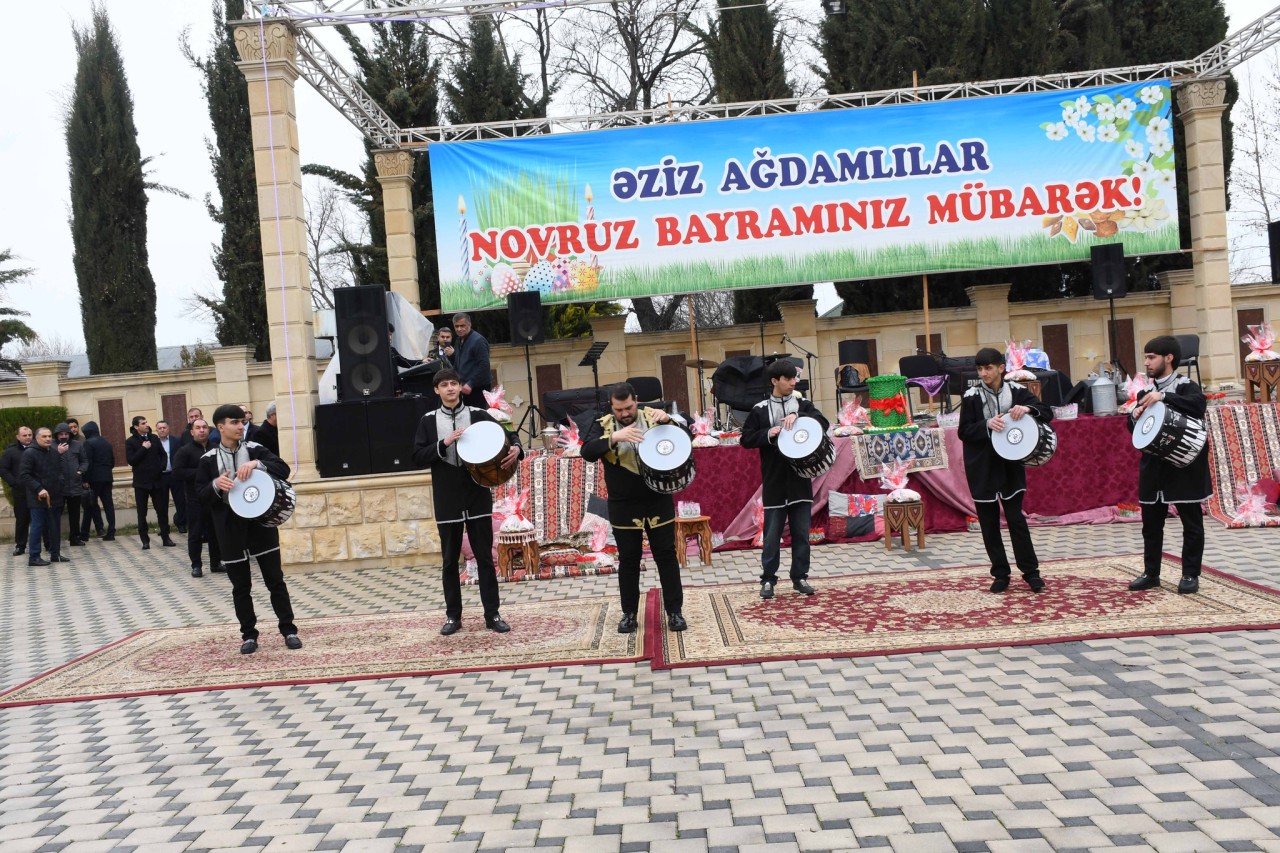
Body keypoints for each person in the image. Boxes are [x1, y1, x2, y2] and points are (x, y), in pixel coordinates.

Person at [412, 368, 520, 636]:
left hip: (476, 491)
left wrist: (517, 448)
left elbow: (509, 433)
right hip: (446, 494)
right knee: (449, 560)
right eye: (444, 385)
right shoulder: (427, 420)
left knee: (484, 556)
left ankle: (492, 614)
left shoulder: (478, 415)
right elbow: (417, 456)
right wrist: (444, 442)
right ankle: (453, 616)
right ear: (436, 390)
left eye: (454, 383)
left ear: (460, 387)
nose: (450, 388)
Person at [581, 382, 689, 633]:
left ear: (636, 400)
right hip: (622, 503)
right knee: (629, 560)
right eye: (619, 409)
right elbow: (587, 451)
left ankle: (675, 612)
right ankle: (629, 614)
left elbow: (688, 437)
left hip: (657, 497)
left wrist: (669, 422)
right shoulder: (602, 424)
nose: (625, 413)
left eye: (629, 407)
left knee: (666, 556)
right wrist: (615, 437)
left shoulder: (654, 416)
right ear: (611, 407)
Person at [196, 404, 302, 654]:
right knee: (240, 586)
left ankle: (289, 630)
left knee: (275, 580)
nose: (241, 426)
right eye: (235, 422)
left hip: (260, 524)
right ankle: (248, 635)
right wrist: (215, 485)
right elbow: (199, 497)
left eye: (242, 422)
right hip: (229, 528)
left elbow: (284, 470)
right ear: (221, 427)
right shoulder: (208, 460)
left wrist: (257, 465)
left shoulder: (256, 450)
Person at [958, 347, 1053, 593]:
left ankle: (1031, 572)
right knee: (989, 523)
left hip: (1010, 465)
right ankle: (1000, 574)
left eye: (988, 368)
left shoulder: (1018, 391)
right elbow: (963, 431)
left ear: (1001, 368)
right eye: (980, 369)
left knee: (1016, 519)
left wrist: (1029, 409)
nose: (983, 373)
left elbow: (1048, 413)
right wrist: (986, 424)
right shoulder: (971, 395)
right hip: (981, 466)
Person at [1126, 335, 1213, 594]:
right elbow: (1137, 429)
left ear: (1169, 358)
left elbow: (1198, 407)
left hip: (1184, 467)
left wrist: (1163, 396)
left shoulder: (1187, 386)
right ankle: (1151, 573)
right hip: (1153, 468)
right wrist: (1135, 415)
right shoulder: (1143, 393)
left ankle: (1190, 575)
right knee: (1151, 525)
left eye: (1151, 357)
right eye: (1146, 357)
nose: (1147, 363)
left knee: (1191, 523)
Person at [741, 360, 829, 599]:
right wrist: (768, 433)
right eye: (788, 379)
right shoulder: (759, 409)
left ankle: (800, 577)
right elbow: (746, 439)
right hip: (774, 482)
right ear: (774, 381)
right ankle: (768, 579)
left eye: (794, 378)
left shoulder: (803, 404)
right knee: (771, 537)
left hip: (800, 480)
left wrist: (797, 415)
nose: (793, 382)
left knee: (801, 534)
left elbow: (823, 423)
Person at [174, 417, 221, 578]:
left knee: (215, 532)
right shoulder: (185, 451)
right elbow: (178, 472)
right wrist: (201, 473)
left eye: (205, 427)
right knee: (195, 533)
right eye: (198, 428)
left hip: (214, 498)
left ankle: (216, 563)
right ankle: (196, 565)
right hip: (195, 500)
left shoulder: (216, 448)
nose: (202, 430)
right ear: (192, 431)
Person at [19, 427, 69, 566]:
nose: (48, 439)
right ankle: (34, 557)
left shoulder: (53, 452)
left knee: (55, 527)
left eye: (49, 436)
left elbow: (59, 471)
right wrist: (39, 488)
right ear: (37, 438)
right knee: (37, 526)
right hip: (38, 498)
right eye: (44, 437)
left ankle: (55, 554)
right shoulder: (29, 453)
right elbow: (24, 475)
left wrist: (61, 482)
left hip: (55, 496)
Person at [125, 415, 175, 550]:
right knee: (142, 513)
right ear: (136, 426)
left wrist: (162, 467)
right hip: (141, 483)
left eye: (146, 422)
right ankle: (145, 540)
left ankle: (166, 537)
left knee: (162, 511)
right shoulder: (130, 442)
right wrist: (143, 448)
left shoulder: (153, 438)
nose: (146, 425)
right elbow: (131, 460)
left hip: (157, 481)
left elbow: (163, 455)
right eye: (143, 423)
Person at [79, 421, 116, 541]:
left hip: (94, 479)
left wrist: (85, 479)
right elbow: (112, 462)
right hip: (107, 477)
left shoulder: (88, 443)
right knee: (108, 505)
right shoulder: (106, 443)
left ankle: (84, 533)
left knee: (89, 506)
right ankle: (111, 531)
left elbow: (87, 463)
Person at [53, 423, 88, 548]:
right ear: (56, 435)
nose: (63, 436)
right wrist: (58, 452)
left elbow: (84, 461)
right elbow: (47, 462)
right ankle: (53, 540)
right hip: (58, 486)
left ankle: (75, 538)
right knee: (56, 514)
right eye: (61, 434)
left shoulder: (77, 445)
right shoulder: (52, 446)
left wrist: (80, 471)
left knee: (75, 514)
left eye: (66, 434)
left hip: (74, 484)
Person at [1, 425, 34, 555]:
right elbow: (3, 469)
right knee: (22, 519)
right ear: (18, 437)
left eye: (30, 435)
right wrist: (14, 482)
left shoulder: (39, 449)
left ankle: (48, 543)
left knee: (42, 517)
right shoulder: (10, 452)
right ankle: (20, 545)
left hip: (38, 490)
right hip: (20, 491)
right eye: (24, 435)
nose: (27, 437)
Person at [450, 313, 491, 408]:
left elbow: (484, 366)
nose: (459, 329)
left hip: (478, 388)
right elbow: (457, 364)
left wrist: (471, 383)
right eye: (456, 326)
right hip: (463, 388)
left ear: (469, 324)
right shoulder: (458, 341)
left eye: (462, 326)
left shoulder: (478, 341)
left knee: (477, 419)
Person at [155, 420, 187, 534]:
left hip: (175, 475)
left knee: (180, 501)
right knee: (162, 504)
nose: (162, 430)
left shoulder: (176, 441)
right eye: (160, 428)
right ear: (156, 430)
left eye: (164, 427)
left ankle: (182, 524)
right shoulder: (154, 442)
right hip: (161, 476)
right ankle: (164, 527)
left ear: (168, 429)